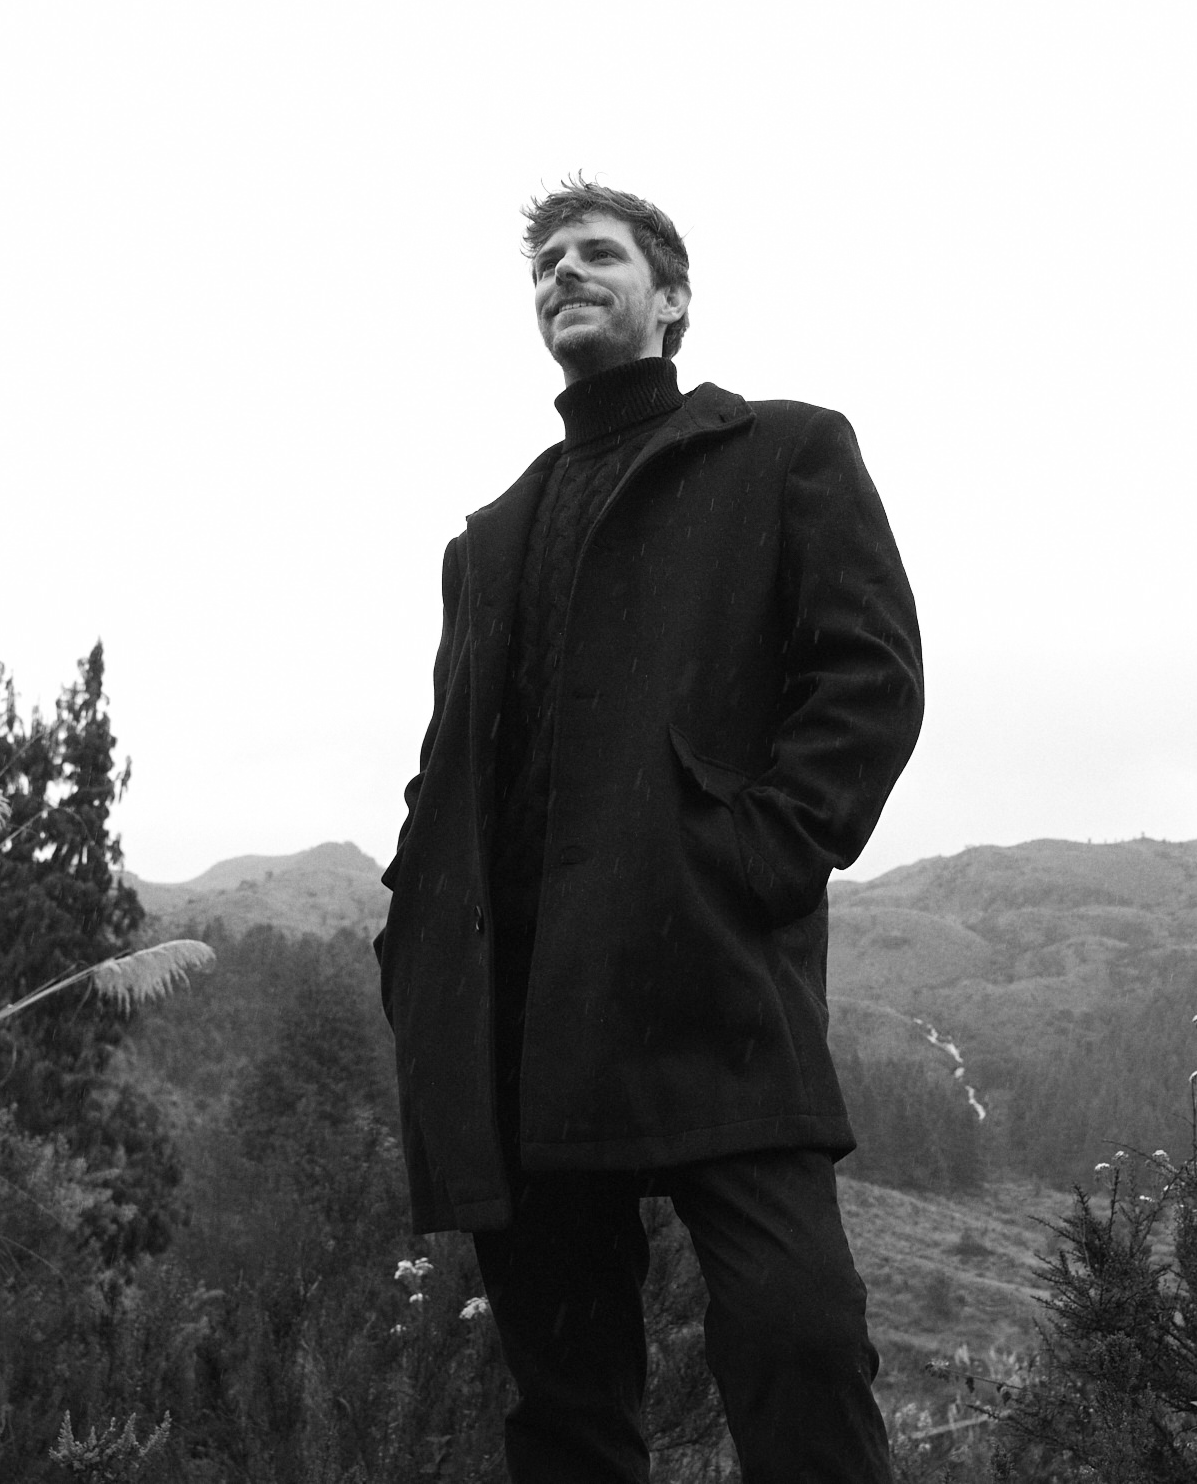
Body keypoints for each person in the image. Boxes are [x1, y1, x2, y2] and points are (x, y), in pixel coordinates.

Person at [375, 178, 925, 1483]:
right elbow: (445, 771)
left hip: (710, 982)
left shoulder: (783, 453)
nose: (564, 273)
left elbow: (868, 680)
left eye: (598, 254)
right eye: (546, 264)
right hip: (518, 1023)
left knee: (800, 1341)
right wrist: (414, 938)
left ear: (671, 298)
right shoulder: (487, 542)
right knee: (568, 1412)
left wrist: (748, 861)